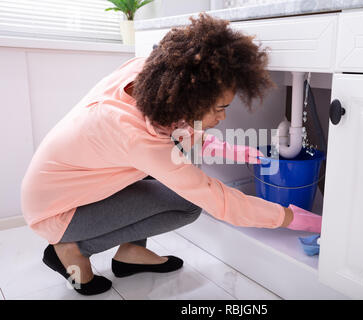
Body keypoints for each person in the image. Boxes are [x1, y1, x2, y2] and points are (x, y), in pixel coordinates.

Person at [20, 12, 321, 296]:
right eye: (219, 108)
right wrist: (292, 217)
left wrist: (240, 152)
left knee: (164, 170)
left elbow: (176, 133)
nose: (223, 118)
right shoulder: (133, 134)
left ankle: (131, 254)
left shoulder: (149, 78)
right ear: (188, 99)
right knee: (189, 204)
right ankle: (71, 249)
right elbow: (219, 200)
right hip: (58, 212)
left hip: (72, 188)